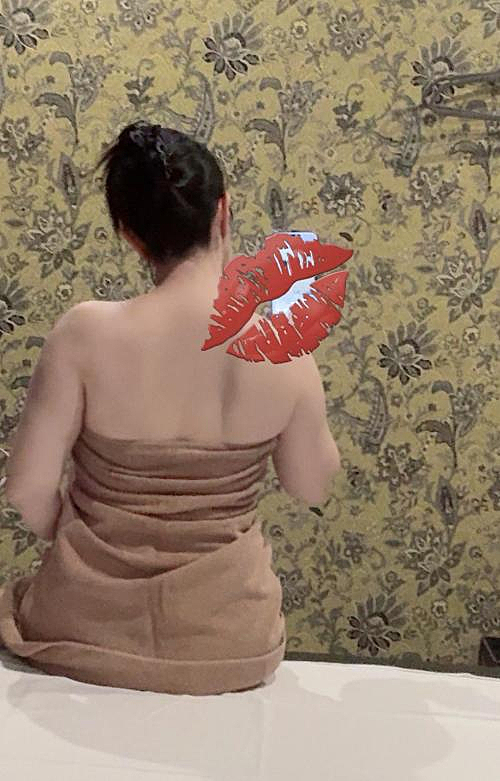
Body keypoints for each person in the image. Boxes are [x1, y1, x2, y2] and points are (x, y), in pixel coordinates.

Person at [0, 121, 340, 696]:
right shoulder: (283, 350)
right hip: (230, 642)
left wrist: (90, 544)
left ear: (130, 234)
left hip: (84, 631)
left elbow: (26, 491)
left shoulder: (83, 335)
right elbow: (312, 485)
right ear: (222, 211)